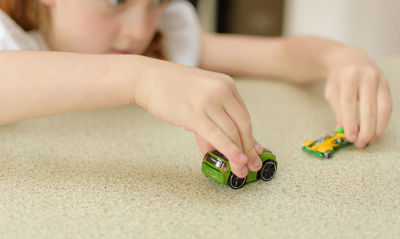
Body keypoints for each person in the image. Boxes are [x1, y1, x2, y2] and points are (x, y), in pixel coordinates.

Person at [0, 0, 392, 178]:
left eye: (156, 1)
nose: (140, 28)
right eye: (116, 1)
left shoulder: (165, 35)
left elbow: (281, 53)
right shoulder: (9, 37)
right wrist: (140, 77)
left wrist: (342, 57)